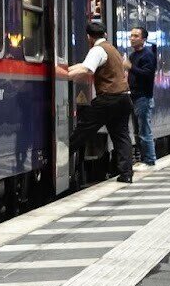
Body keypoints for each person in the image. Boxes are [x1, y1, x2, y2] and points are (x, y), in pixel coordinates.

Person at [58, 21, 135, 184]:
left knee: (82, 130)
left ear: (89, 37)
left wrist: (62, 75)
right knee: (121, 136)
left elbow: (87, 70)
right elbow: (85, 65)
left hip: (109, 99)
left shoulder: (97, 50)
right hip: (124, 98)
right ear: (104, 35)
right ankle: (126, 174)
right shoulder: (111, 48)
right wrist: (68, 69)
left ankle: (59, 160)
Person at [126, 26, 158, 168]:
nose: (132, 38)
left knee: (144, 130)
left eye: (136, 36)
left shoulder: (148, 55)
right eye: (131, 35)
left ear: (143, 39)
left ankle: (149, 159)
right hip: (134, 96)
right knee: (138, 131)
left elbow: (148, 75)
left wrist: (130, 67)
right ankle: (144, 159)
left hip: (143, 97)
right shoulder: (133, 55)